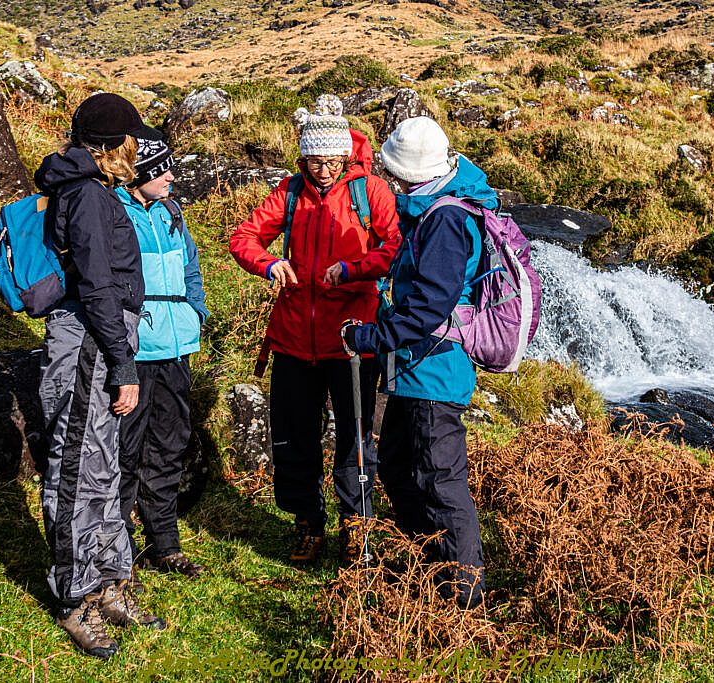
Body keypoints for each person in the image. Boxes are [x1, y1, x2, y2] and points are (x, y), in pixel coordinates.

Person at [229, 94, 400, 564]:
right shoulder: (287, 193)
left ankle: (355, 531)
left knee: (355, 439)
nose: (322, 171)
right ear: (301, 157)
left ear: (345, 154)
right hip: (291, 340)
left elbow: (394, 246)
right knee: (294, 438)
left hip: (351, 340)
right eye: (313, 161)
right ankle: (307, 524)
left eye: (330, 161)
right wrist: (268, 265)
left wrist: (353, 269)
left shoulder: (372, 192)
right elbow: (243, 237)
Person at [341, 116, 494, 609]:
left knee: (440, 482)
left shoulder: (446, 220)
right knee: (400, 469)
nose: (391, 181)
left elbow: (427, 309)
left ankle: (464, 602)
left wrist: (368, 337)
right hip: (413, 370)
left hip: (434, 371)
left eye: (394, 173)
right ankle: (431, 568)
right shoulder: (429, 208)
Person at [35, 93, 164, 660]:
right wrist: (123, 363)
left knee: (104, 465)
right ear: (111, 146)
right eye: (132, 139)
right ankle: (74, 597)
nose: (138, 148)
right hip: (90, 343)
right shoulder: (87, 195)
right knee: (75, 469)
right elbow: (95, 284)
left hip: (102, 339)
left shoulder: (95, 191)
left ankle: (110, 581)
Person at [115, 127, 209, 579]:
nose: (172, 175)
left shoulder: (171, 211)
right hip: (134, 349)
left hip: (175, 346)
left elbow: (190, 266)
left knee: (170, 444)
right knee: (124, 448)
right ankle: (118, 545)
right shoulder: (116, 210)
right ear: (141, 170)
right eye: (163, 168)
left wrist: (196, 313)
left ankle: (164, 544)